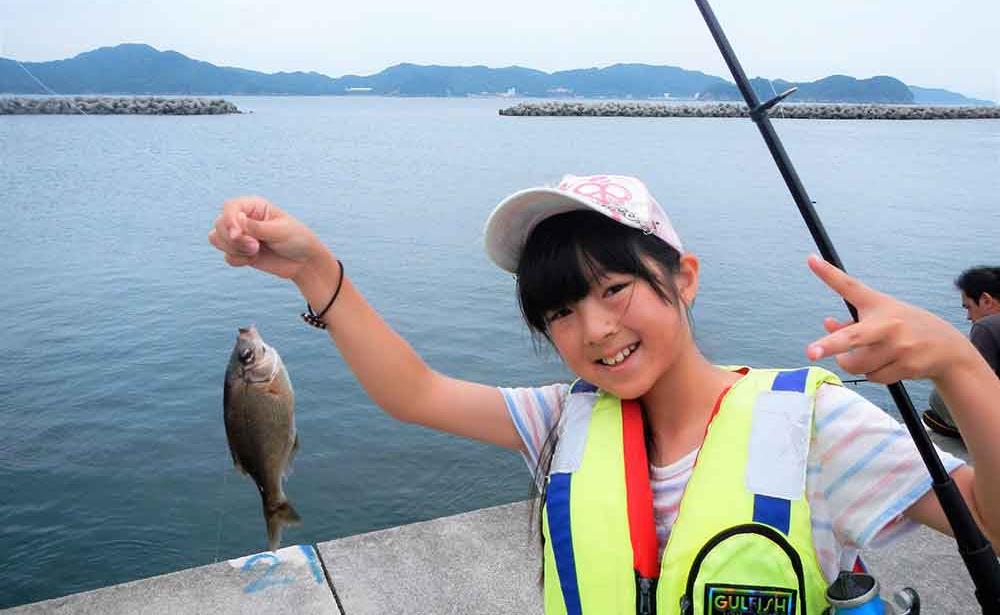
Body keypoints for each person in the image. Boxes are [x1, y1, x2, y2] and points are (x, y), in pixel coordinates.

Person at [209, 174, 1000, 614]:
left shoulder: (816, 422)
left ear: (684, 277)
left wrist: (961, 372)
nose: (591, 329)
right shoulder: (563, 418)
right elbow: (414, 391)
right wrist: (315, 267)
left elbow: (990, 517)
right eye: (557, 311)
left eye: (616, 287)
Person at [924, 266, 1000, 439]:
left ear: (986, 301)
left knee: (939, 396)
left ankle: (971, 434)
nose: (968, 316)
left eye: (968, 307)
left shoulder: (986, 326)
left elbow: (980, 385)